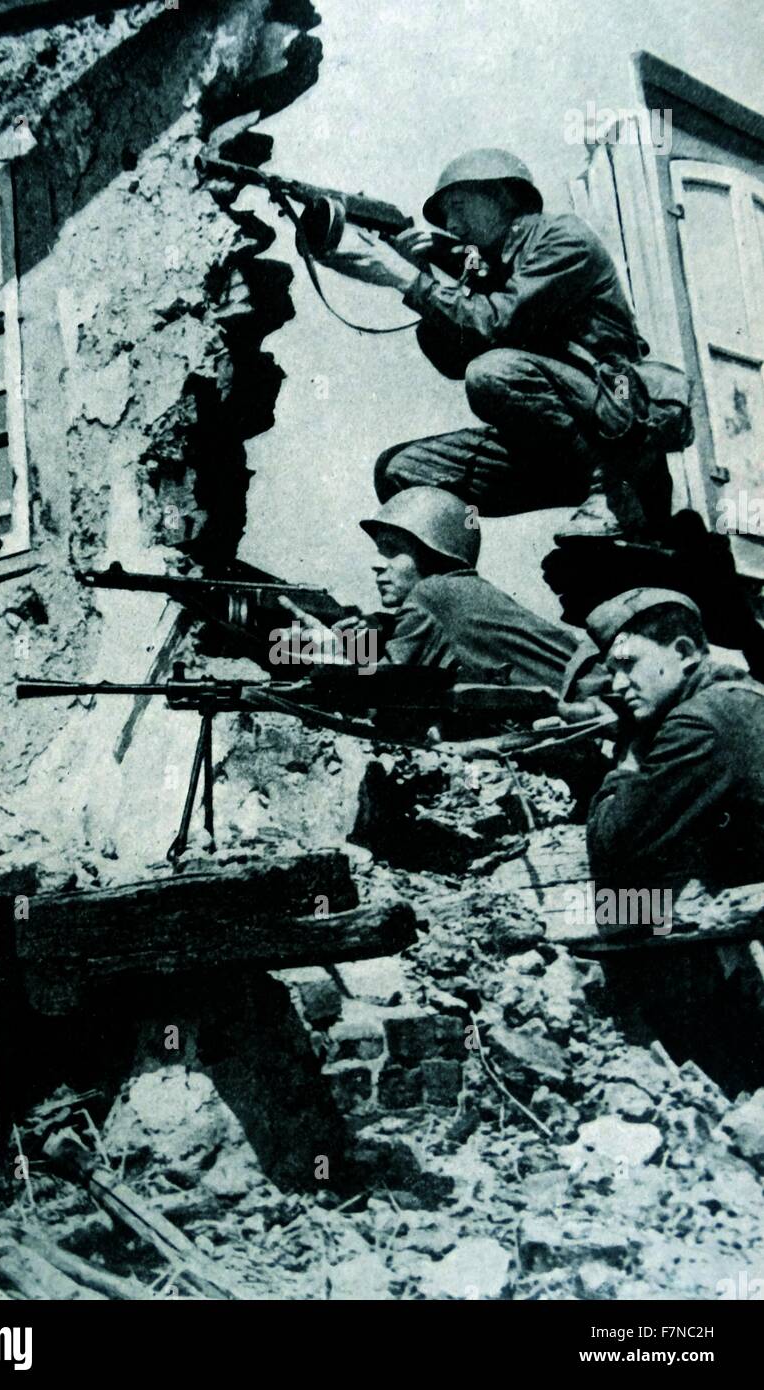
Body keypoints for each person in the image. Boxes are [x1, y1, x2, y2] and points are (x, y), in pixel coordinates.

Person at [320, 148, 668, 539]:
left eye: (459, 207)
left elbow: (495, 323)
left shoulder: (564, 237)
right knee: (400, 471)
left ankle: (615, 494)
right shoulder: (491, 268)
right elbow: (453, 360)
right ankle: (447, 586)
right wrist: (420, 273)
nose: (452, 225)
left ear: (503, 196)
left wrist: (405, 279)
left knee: (492, 373)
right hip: (553, 449)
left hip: (617, 435)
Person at [585, 588, 764, 894]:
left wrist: (629, 755)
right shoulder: (742, 696)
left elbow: (611, 846)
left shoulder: (697, 724)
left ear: (683, 652)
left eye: (628, 664)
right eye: (612, 672)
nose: (618, 684)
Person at [352, 485, 578, 690]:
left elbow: (381, 690)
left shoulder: (434, 593)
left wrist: (352, 648)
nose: (377, 564)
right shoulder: (462, 593)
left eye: (392, 549)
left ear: (432, 553)